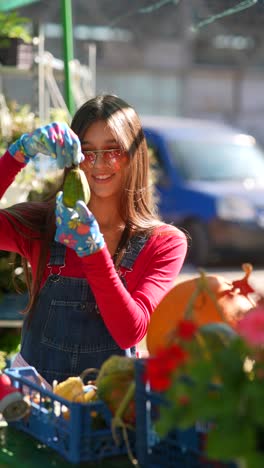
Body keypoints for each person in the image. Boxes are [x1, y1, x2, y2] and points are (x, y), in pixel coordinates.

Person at [0, 94, 187, 387]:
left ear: (134, 156)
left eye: (113, 151)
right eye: (87, 152)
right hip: (34, 403)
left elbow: (131, 331)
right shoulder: (43, 225)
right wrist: (18, 154)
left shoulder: (164, 243)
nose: (99, 164)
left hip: (109, 410)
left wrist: (92, 250)